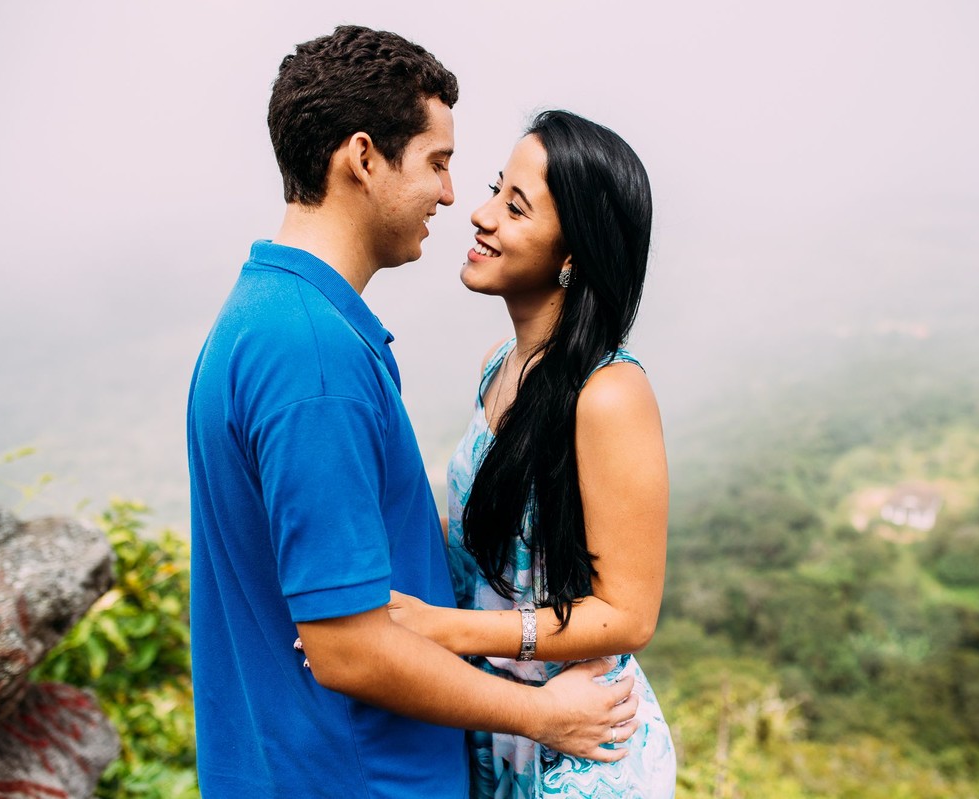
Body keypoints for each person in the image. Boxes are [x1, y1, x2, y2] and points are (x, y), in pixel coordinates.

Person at [186, 28, 639, 798]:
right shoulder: (312, 358)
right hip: (356, 777)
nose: (454, 195)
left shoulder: (269, 316)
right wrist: (543, 714)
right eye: (438, 162)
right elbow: (350, 651)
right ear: (362, 158)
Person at [386, 111, 677, 797]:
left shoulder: (609, 394)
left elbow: (628, 615)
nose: (480, 216)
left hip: (581, 748)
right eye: (495, 190)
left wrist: (442, 629)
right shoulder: (500, 367)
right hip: (505, 727)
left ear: (572, 253)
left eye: (514, 208)